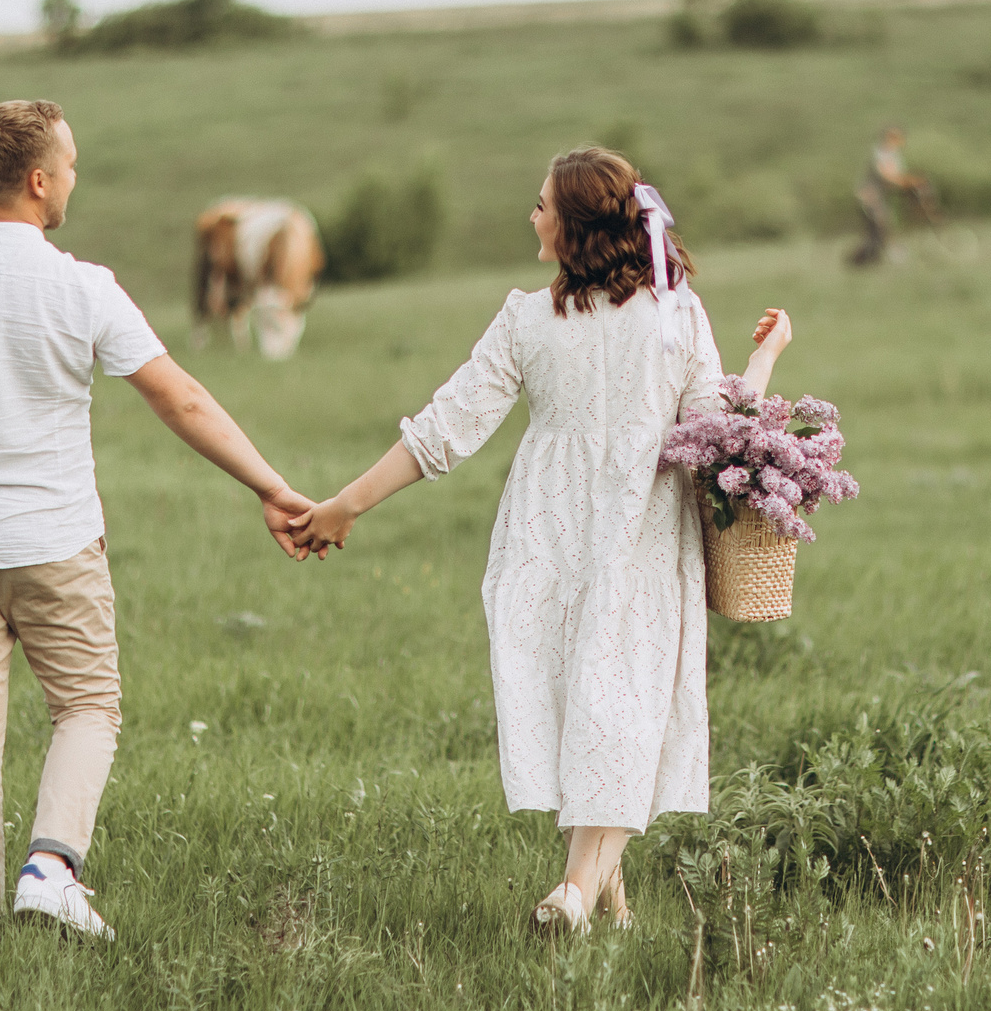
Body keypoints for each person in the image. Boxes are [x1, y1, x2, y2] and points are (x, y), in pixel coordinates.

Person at [0, 98, 316, 938]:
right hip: (53, 539)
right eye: (68, 166)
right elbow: (181, 396)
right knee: (88, 705)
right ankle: (52, 865)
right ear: (36, 181)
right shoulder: (79, 285)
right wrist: (271, 486)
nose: (73, 179)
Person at [289, 148, 792, 935]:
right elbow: (720, 432)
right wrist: (766, 355)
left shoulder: (530, 317)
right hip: (640, 530)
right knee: (620, 706)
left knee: (603, 705)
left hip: (547, 531)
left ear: (573, 227)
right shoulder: (675, 315)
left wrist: (346, 504)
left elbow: (441, 431)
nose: (531, 216)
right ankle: (580, 893)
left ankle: (593, 898)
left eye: (540, 205)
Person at [849, 125, 940, 266]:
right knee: (881, 226)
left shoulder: (893, 155)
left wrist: (911, 182)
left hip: (881, 196)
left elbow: (896, 177)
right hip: (870, 197)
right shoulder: (880, 154)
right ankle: (888, 257)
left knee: (877, 233)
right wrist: (909, 182)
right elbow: (887, 177)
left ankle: (863, 262)